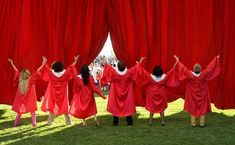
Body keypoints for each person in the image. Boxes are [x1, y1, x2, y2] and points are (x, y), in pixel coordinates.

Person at [174, 55, 220, 127]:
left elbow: (183, 69)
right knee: (202, 108)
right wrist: (216, 59)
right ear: (200, 69)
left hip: (192, 95)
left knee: (193, 108)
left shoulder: (190, 74)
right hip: (202, 95)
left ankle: (193, 123)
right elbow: (210, 68)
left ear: (194, 69)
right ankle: (202, 123)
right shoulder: (204, 74)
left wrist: (178, 61)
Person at [101, 57, 145, 127]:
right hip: (127, 94)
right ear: (125, 67)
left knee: (116, 107)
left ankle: (115, 123)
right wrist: (140, 62)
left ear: (118, 67)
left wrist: (105, 63)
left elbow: (109, 68)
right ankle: (129, 123)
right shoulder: (128, 73)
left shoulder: (115, 74)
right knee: (128, 107)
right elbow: (135, 69)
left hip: (116, 94)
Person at [138, 57, 179, 126]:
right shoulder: (165, 77)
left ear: (153, 71)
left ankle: (150, 121)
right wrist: (177, 61)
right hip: (162, 94)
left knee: (152, 107)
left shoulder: (150, 77)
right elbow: (172, 70)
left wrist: (140, 62)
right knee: (161, 108)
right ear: (161, 71)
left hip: (152, 94)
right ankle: (162, 121)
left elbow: (142, 71)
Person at [8, 56, 47, 127]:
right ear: (28, 74)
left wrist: (12, 63)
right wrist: (43, 63)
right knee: (32, 112)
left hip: (22, 100)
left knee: (19, 112)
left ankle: (15, 124)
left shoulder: (20, 80)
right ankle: (34, 124)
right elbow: (37, 71)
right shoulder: (31, 80)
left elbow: (16, 71)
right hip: (29, 100)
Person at [41, 55, 79, 125]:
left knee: (52, 106)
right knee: (65, 106)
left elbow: (46, 68)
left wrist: (45, 62)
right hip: (63, 94)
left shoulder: (51, 73)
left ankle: (49, 121)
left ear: (53, 67)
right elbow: (71, 67)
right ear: (62, 67)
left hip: (53, 93)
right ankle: (68, 121)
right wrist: (75, 60)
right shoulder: (65, 73)